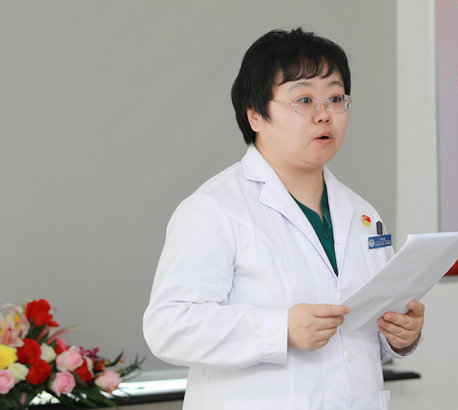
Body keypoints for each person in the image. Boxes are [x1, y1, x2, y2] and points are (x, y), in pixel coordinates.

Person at [143, 27, 425, 410]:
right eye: (304, 100)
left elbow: (360, 335)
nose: (324, 115)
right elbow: (169, 328)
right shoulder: (214, 208)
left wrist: (400, 335)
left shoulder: (361, 213)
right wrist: (280, 329)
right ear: (255, 114)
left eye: (336, 98)